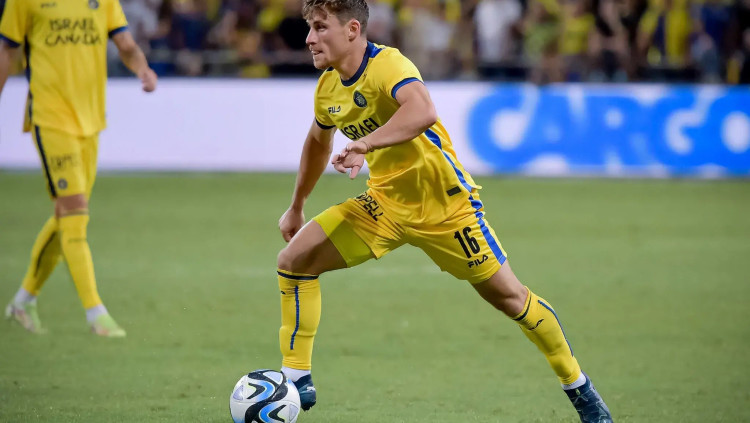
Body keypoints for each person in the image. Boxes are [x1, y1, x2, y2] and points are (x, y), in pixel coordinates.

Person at [275, 0, 613, 422]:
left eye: (320, 27)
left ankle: (579, 387)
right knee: (294, 261)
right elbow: (317, 142)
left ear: (352, 30)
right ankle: (296, 380)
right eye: (310, 28)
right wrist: (296, 206)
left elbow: (422, 111)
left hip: (447, 209)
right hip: (384, 205)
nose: (309, 38)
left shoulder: (388, 65)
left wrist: (365, 143)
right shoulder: (328, 88)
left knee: (512, 299)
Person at [0, 0, 157, 337]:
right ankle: (96, 314)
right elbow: (7, 50)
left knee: (68, 216)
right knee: (75, 211)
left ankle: (23, 301)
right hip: (50, 117)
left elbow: (125, 44)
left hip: (91, 120)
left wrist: (142, 69)